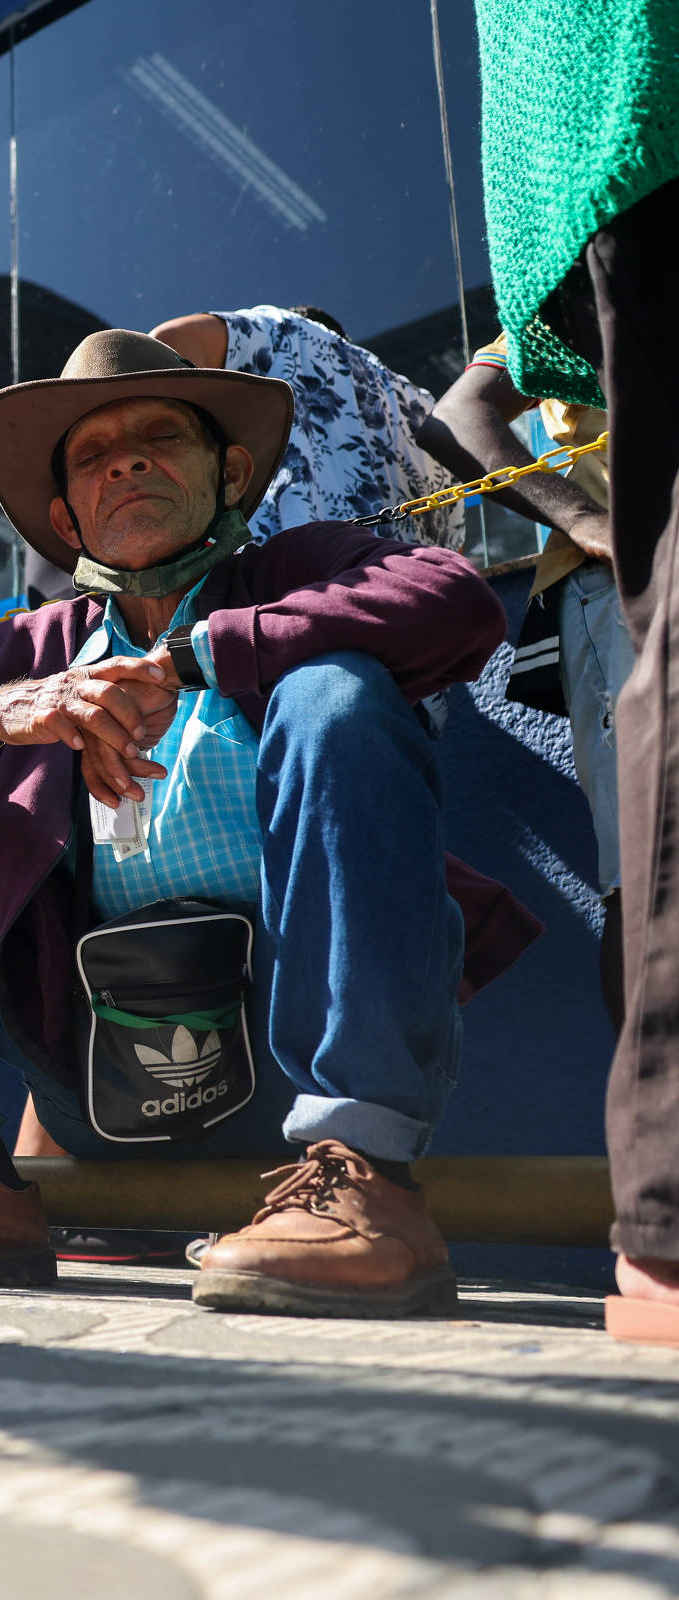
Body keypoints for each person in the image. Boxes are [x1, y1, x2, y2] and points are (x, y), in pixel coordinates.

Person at [0, 329, 540, 1317]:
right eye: (96, 457)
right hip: (92, 1065)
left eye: (160, 439)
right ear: (67, 517)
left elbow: (451, 604)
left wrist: (196, 658)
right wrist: (1, 710)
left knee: (335, 692)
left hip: (295, 1068)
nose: (128, 462)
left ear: (230, 473)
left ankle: (366, 1182)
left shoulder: (301, 567)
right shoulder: (30, 646)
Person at [468, 0, 679, 1345]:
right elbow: (465, 410)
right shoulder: (588, 312)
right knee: (629, 885)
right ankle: (651, 1209)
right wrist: (599, 523)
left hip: (626, 579)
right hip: (609, 596)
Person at [418, 335, 627, 1019]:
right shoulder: (572, 270)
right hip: (633, 589)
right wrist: (583, 517)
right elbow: (460, 414)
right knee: (657, 881)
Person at [149, 305, 464, 548]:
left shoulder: (290, 334)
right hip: (407, 611)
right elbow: (456, 549)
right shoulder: (426, 410)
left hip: (288, 598)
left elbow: (168, 342)